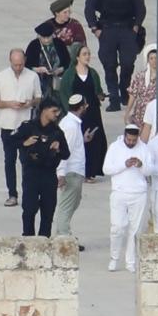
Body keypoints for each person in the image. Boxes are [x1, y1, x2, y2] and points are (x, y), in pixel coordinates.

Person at [84, 0, 147, 111]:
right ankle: (114, 97)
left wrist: (136, 26)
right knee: (109, 64)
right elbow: (89, 7)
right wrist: (94, 28)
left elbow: (140, 6)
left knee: (128, 63)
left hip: (127, 28)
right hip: (108, 29)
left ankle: (124, 91)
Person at [0, 49, 42, 207]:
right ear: (10, 62)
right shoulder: (0, 77)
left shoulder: (32, 76)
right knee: (9, 161)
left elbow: (38, 98)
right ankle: (12, 193)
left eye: (20, 64)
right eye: (15, 65)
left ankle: (29, 192)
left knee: (27, 160)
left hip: (26, 124)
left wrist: (29, 103)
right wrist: (9, 103)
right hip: (8, 125)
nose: (18, 67)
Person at [12, 99, 70, 237]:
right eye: (54, 111)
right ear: (44, 110)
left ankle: (44, 240)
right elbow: (10, 142)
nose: (56, 114)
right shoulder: (29, 127)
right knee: (29, 208)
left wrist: (57, 149)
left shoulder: (56, 132)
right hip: (31, 173)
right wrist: (24, 143)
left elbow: (66, 154)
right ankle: (28, 238)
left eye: (58, 112)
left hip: (49, 174)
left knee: (48, 210)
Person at [103, 123, 153, 270]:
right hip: (119, 192)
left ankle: (130, 261)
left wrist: (140, 165)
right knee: (117, 227)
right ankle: (114, 258)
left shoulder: (144, 148)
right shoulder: (114, 147)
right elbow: (106, 169)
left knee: (135, 230)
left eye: (133, 140)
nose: (131, 142)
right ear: (125, 136)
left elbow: (150, 170)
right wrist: (124, 164)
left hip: (139, 194)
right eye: (129, 140)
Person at [57, 46, 108, 183]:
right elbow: (64, 93)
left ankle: (91, 171)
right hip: (77, 113)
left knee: (95, 139)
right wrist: (71, 109)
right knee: (80, 140)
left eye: (88, 54)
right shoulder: (69, 74)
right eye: (84, 54)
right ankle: (81, 170)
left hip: (92, 112)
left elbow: (97, 90)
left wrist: (101, 96)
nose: (87, 56)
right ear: (77, 57)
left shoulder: (93, 73)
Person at [55, 95, 94, 249]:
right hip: (71, 171)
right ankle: (64, 238)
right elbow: (65, 151)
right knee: (66, 205)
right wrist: (61, 173)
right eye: (85, 105)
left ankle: (62, 233)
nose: (86, 107)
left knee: (73, 202)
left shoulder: (72, 123)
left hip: (75, 170)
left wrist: (83, 139)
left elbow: (72, 145)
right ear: (81, 107)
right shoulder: (70, 126)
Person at [26, 21, 71, 104]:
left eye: (49, 37)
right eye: (43, 38)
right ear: (39, 36)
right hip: (39, 83)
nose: (46, 40)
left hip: (57, 82)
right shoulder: (33, 45)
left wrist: (60, 69)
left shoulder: (59, 44)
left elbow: (67, 62)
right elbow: (26, 65)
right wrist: (37, 69)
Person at [125, 44, 158, 129]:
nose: (154, 60)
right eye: (151, 58)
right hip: (140, 113)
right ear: (148, 60)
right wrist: (127, 112)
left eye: (156, 58)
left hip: (156, 112)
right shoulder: (140, 76)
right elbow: (133, 95)